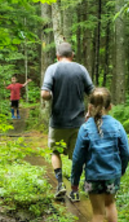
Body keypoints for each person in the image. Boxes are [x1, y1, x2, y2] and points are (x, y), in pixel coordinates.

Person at [70, 87, 129, 222]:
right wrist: (121, 170)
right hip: (112, 175)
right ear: (110, 106)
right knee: (110, 204)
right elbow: (125, 152)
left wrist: (74, 182)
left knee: (97, 212)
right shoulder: (117, 126)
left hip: (93, 177)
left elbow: (77, 159)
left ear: (89, 106)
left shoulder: (86, 128)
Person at [41, 42, 94, 200]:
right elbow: (93, 93)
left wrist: (50, 95)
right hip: (78, 122)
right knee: (78, 157)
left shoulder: (53, 68)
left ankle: (59, 184)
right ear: (72, 56)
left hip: (58, 121)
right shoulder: (81, 69)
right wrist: (90, 112)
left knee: (55, 152)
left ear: (57, 56)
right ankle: (76, 191)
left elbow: (44, 94)